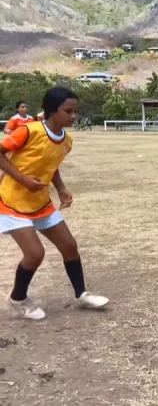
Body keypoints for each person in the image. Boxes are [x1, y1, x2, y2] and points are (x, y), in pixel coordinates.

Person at [2, 88, 109, 320]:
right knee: (35, 253)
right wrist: (22, 180)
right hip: (11, 202)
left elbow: (51, 164)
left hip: (40, 203)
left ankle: (82, 294)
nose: (73, 116)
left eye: (75, 111)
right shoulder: (28, 132)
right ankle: (17, 299)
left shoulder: (66, 141)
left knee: (69, 246)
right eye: (67, 111)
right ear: (52, 111)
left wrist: (61, 189)